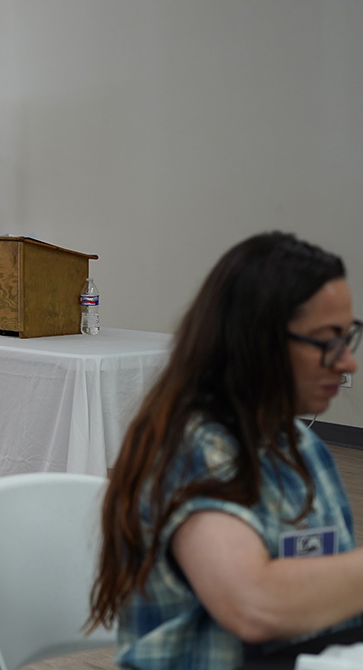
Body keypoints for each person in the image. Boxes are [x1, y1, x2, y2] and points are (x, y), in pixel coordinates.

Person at [89, 232, 363, 669]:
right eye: (327, 340)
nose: (347, 363)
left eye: (347, 338)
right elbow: (253, 603)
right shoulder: (195, 448)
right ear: (260, 340)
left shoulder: (302, 445)